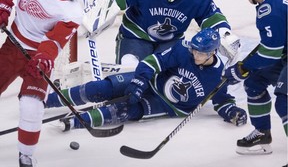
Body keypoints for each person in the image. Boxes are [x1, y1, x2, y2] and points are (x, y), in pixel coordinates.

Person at [45, 28, 247, 132]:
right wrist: (139, 83)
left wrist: (232, 112)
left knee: (125, 110)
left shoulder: (218, 75)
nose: (195, 55)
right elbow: (151, 63)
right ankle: (46, 101)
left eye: (200, 53)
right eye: (194, 49)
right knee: (101, 87)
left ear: (212, 53)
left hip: (168, 105)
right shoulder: (182, 50)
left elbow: (221, 100)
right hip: (151, 80)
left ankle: (74, 122)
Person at [0, 0, 91, 166]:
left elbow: (55, 40)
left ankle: (26, 156)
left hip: (39, 58)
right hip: (12, 47)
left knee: (32, 107)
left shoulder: (74, 12)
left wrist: (44, 58)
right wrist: (3, 4)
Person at [90, 0, 241, 66]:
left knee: (169, 77)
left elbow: (210, 14)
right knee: (130, 67)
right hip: (136, 35)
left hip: (170, 40)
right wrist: (102, 6)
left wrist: (223, 33)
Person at [223, 0, 287, 155]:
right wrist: (247, 69)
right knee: (254, 82)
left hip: (281, 53)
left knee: (284, 101)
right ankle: (262, 133)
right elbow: (274, 42)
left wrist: (242, 68)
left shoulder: (271, 12)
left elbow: (271, 53)